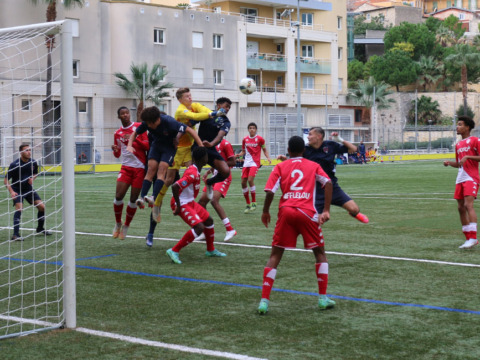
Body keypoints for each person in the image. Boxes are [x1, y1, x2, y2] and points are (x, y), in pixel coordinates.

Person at [257, 136, 334, 314]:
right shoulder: (313, 165)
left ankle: (264, 301)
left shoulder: (280, 166)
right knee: (320, 253)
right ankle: (322, 298)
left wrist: (265, 211)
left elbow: (270, 191)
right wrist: (326, 210)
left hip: (286, 212)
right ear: (304, 151)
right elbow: (328, 182)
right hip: (308, 213)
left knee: (275, 254)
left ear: (289, 151)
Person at [152, 88, 221, 223]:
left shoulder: (194, 105)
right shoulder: (181, 110)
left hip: (189, 149)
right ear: (180, 99)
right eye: (186, 96)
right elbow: (196, 117)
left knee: (193, 174)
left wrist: (212, 113)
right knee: (169, 179)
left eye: (190, 95)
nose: (190, 98)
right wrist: (213, 114)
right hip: (177, 150)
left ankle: (188, 203)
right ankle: (156, 204)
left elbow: (204, 111)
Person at [280, 127, 369, 224]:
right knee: (315, 222)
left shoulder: (330, 145)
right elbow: (295, 163)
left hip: (333, 187)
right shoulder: (305, 150)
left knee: (355, 209)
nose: (308, 137)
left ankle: (353, 213)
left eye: (310, 134)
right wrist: (285, 160)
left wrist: (340, 140)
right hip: (315, 190)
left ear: (319, 136)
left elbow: (353, 149)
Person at [126, 106, 203, 211]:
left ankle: (153, 196)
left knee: (162, 169)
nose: (149, 126)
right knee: (150, 169)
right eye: (147, 124)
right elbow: (135, 133)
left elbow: (189, 130)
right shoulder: (147, 122)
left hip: (169, 148)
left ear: (158, 119)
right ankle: (142, 197)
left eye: (151, 124)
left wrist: (201, 146)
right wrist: (130, 145)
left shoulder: (169, 122)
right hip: (156, 145)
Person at [166, 146, 227, 264]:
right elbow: (175, 186)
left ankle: (210, 250)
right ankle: (174, 250)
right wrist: (178, 206)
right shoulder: (193, 173)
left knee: (209, 220)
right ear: (204, 158)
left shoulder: (196, 171)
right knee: (199, 227)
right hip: (182, 203)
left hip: (189, 202)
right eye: (207, 156)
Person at [111, 106, 149, 240]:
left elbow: (147, 145)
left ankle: (126, 225)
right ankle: (118, 223)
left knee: (133, 199)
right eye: (123, 114)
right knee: (118, 196)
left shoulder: (139, 127)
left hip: (139, 168)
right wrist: (115, 149)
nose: (126, 115)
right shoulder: (117, 133)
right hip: (126, 167)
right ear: (119, 117)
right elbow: (117, 154)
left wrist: (134, 138)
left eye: (127, 113)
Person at [444, 115, 480, 249]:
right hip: (460, 177)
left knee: (468, 205)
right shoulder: (458, 144)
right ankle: (467, 239)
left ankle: (473, 238)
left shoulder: (475, 140)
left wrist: (468, 156)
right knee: (460, 208)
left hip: (471, 177)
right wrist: (449, 163)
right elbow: (460, 164)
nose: (457, 127)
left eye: (460, 124)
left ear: (467, 127)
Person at [4, 144, 52, 241]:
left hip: (28, 189)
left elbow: (35, 173)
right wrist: (12, 192)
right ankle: (15, 235)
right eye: (26, 150)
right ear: (21, 152)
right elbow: (6, 180)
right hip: (17, 189)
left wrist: (32, 178)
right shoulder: (15, 164)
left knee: (42, 207)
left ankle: (40, 228)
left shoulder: (33, 162)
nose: (29, 152)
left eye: (30, 150)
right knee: (19, 209)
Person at [197, 138, 237, 242]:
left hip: (224, 176)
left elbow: (233, 162)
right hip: (214, 177)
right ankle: (205, 232)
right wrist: (209, 171)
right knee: (201, 202)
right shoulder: (211, 144)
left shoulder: (226, 144)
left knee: (214, 200)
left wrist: (220, 167)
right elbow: (216, 161)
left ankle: (230, 229)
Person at [236, 122, 271, 214]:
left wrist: (268, 157)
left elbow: (264, 149)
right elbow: (243, 151)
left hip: (255, 163)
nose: (252, 129)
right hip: (246, 163)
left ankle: (254, 202)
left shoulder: (260, 139)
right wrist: (239, 155)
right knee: (243, 182)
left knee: (250, 180)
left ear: (256, 130)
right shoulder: (245, 139)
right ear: (248, 129)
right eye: (250, 128)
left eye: (253, 128)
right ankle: (248, 204)